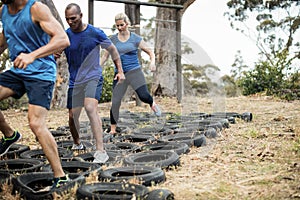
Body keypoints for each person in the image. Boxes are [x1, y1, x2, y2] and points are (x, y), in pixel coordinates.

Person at [0, 0, 70, 188]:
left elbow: (63, 39)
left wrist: (32, 55)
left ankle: (61, 176)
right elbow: (5, 38)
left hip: (41, 72)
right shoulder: (4, 11)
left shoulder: (36, 8)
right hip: (18, 70)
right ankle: (9, 135)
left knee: (36, 123)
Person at [60, 3, 124, 163]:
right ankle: (77, 144)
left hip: (93, 77)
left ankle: (101, 151)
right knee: (72, 116)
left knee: (90, 108)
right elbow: (55, 52)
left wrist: (120, 71)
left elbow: (113, 50)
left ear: (81, 16)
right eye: (67, 19)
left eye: (73, 18)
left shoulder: (95, 32)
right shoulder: (65, 35)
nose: (70, 22)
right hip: (75, 81)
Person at [101, 13, 161, 135]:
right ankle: (113, 129)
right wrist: (97, 67)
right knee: (116, 101)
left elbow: (150, 52)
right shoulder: (112, 39)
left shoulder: (135, 38)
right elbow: (105, 56)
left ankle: (152, 103)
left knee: (144, 96)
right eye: (117, 25)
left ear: (127, 24)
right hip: (119, 74)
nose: (119, 27)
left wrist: (152, 63)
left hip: (135, 72)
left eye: (121, 25)